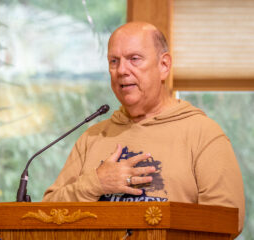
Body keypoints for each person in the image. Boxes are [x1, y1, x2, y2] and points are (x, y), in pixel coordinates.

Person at [43, 21, 245, 231]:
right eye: (114, 61)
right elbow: (44, 215)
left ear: (164, 66)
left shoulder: (204, 134)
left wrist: (156, 219)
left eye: (134, 59)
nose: (122, 70)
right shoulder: (93, 137)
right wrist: (95, 184)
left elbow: (229, 221)